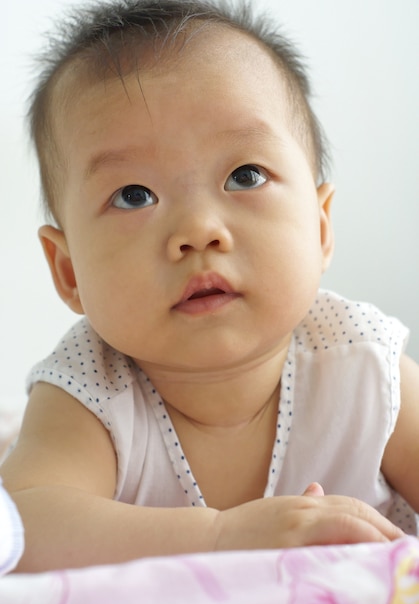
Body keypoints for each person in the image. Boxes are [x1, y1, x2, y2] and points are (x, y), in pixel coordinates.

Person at [2, 0, 418, 573]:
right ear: (69, 271)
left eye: (244, 176)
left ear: (321, 228)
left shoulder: (362, 366)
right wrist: (221, 537)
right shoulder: (91, 391)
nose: (198, 231)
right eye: (133, 195)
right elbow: (22, 528)